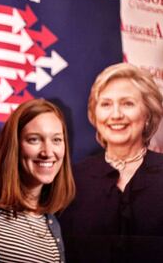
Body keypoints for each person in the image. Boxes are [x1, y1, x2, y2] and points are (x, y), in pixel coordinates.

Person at [59, 63, 163, 262]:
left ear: (148, 114)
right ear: (95, 114)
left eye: (127, 103)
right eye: (106, 104)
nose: (116, 115)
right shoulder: (72, 178)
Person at [0, 99, 75, 263]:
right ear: (14, 145)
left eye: (56, 140)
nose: (48, 152)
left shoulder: (52, 225)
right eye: (34, 139)